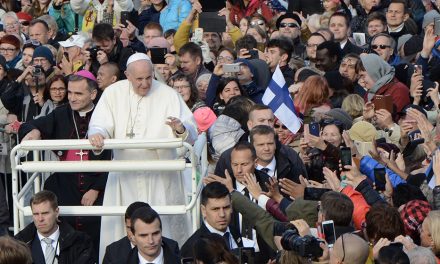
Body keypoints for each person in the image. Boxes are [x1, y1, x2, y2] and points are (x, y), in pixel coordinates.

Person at [87, 53, 197, 261]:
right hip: (124, 174)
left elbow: (190, 129)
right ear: (127, 75)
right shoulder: (113, 93)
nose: (145, 84)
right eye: (139, 79)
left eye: (149, 77)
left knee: (162, 229)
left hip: (160, 174)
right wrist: (98, 133)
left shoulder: (167, 94)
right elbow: (99, 123)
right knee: (120, 229)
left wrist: (180, 129)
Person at [18, 72, 110, 261]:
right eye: (70, 93)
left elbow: (115, 157)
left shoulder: (105, 114)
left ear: (92, 95)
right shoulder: (62, 113)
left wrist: (96, 188)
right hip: (67, 182)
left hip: (99, 182)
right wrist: (34, 131)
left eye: (78, 94)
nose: (72, 98)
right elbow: (30, 125)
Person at [15, 190, 95, 264]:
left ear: (56, 212)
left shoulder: (81, 242)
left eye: (45, 213)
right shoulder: (18, 244)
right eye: (36, 214)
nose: (40, 219)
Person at [180, 182, 243, 258]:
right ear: (203, 210)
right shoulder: (193, 247)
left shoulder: (235, 232)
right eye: (215, 209)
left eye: (226, 207)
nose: (222, 214)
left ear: (231, 207)